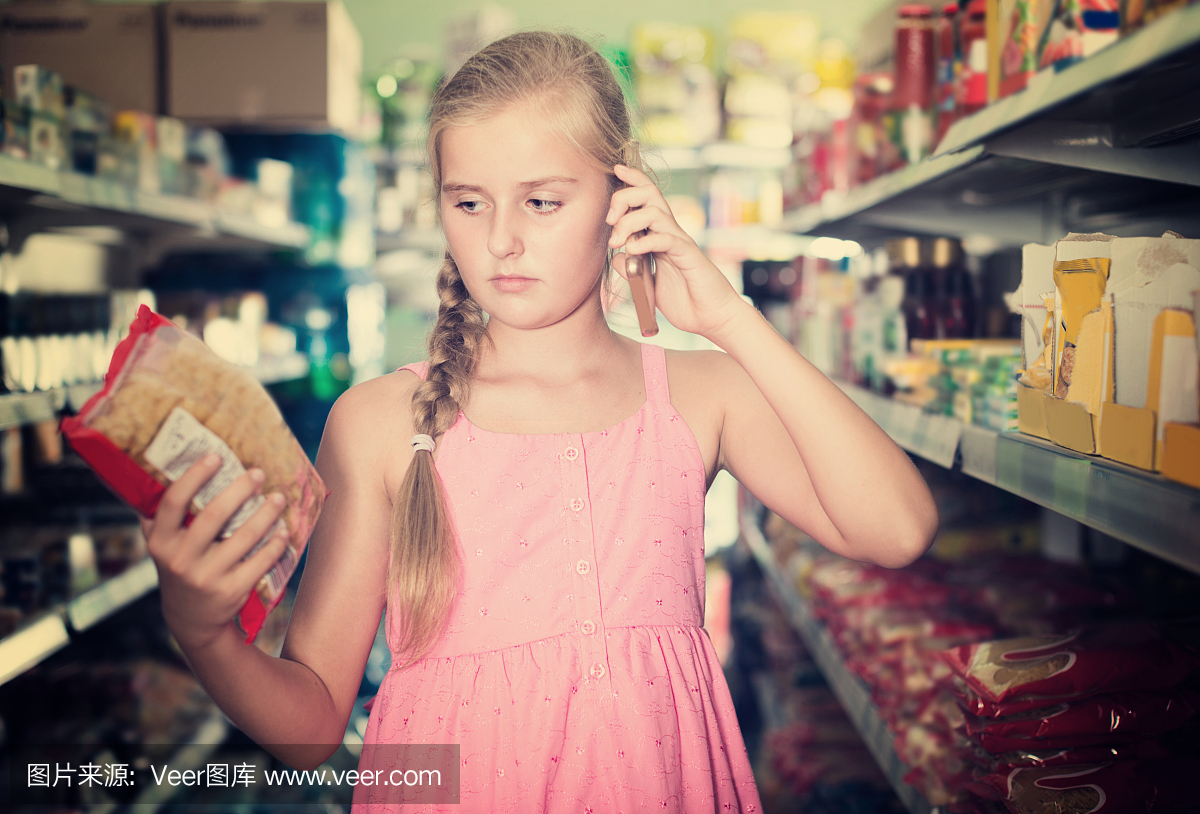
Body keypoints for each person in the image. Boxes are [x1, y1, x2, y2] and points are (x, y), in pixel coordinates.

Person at [142, 30, 938, 813]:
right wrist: (204, 633)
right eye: (469, 202)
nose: (501, 240)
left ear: (624, 199)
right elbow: (313, 725)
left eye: (542, 201)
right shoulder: (381, 423)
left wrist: (730, 317)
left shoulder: (698, 393)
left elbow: (896, 528)